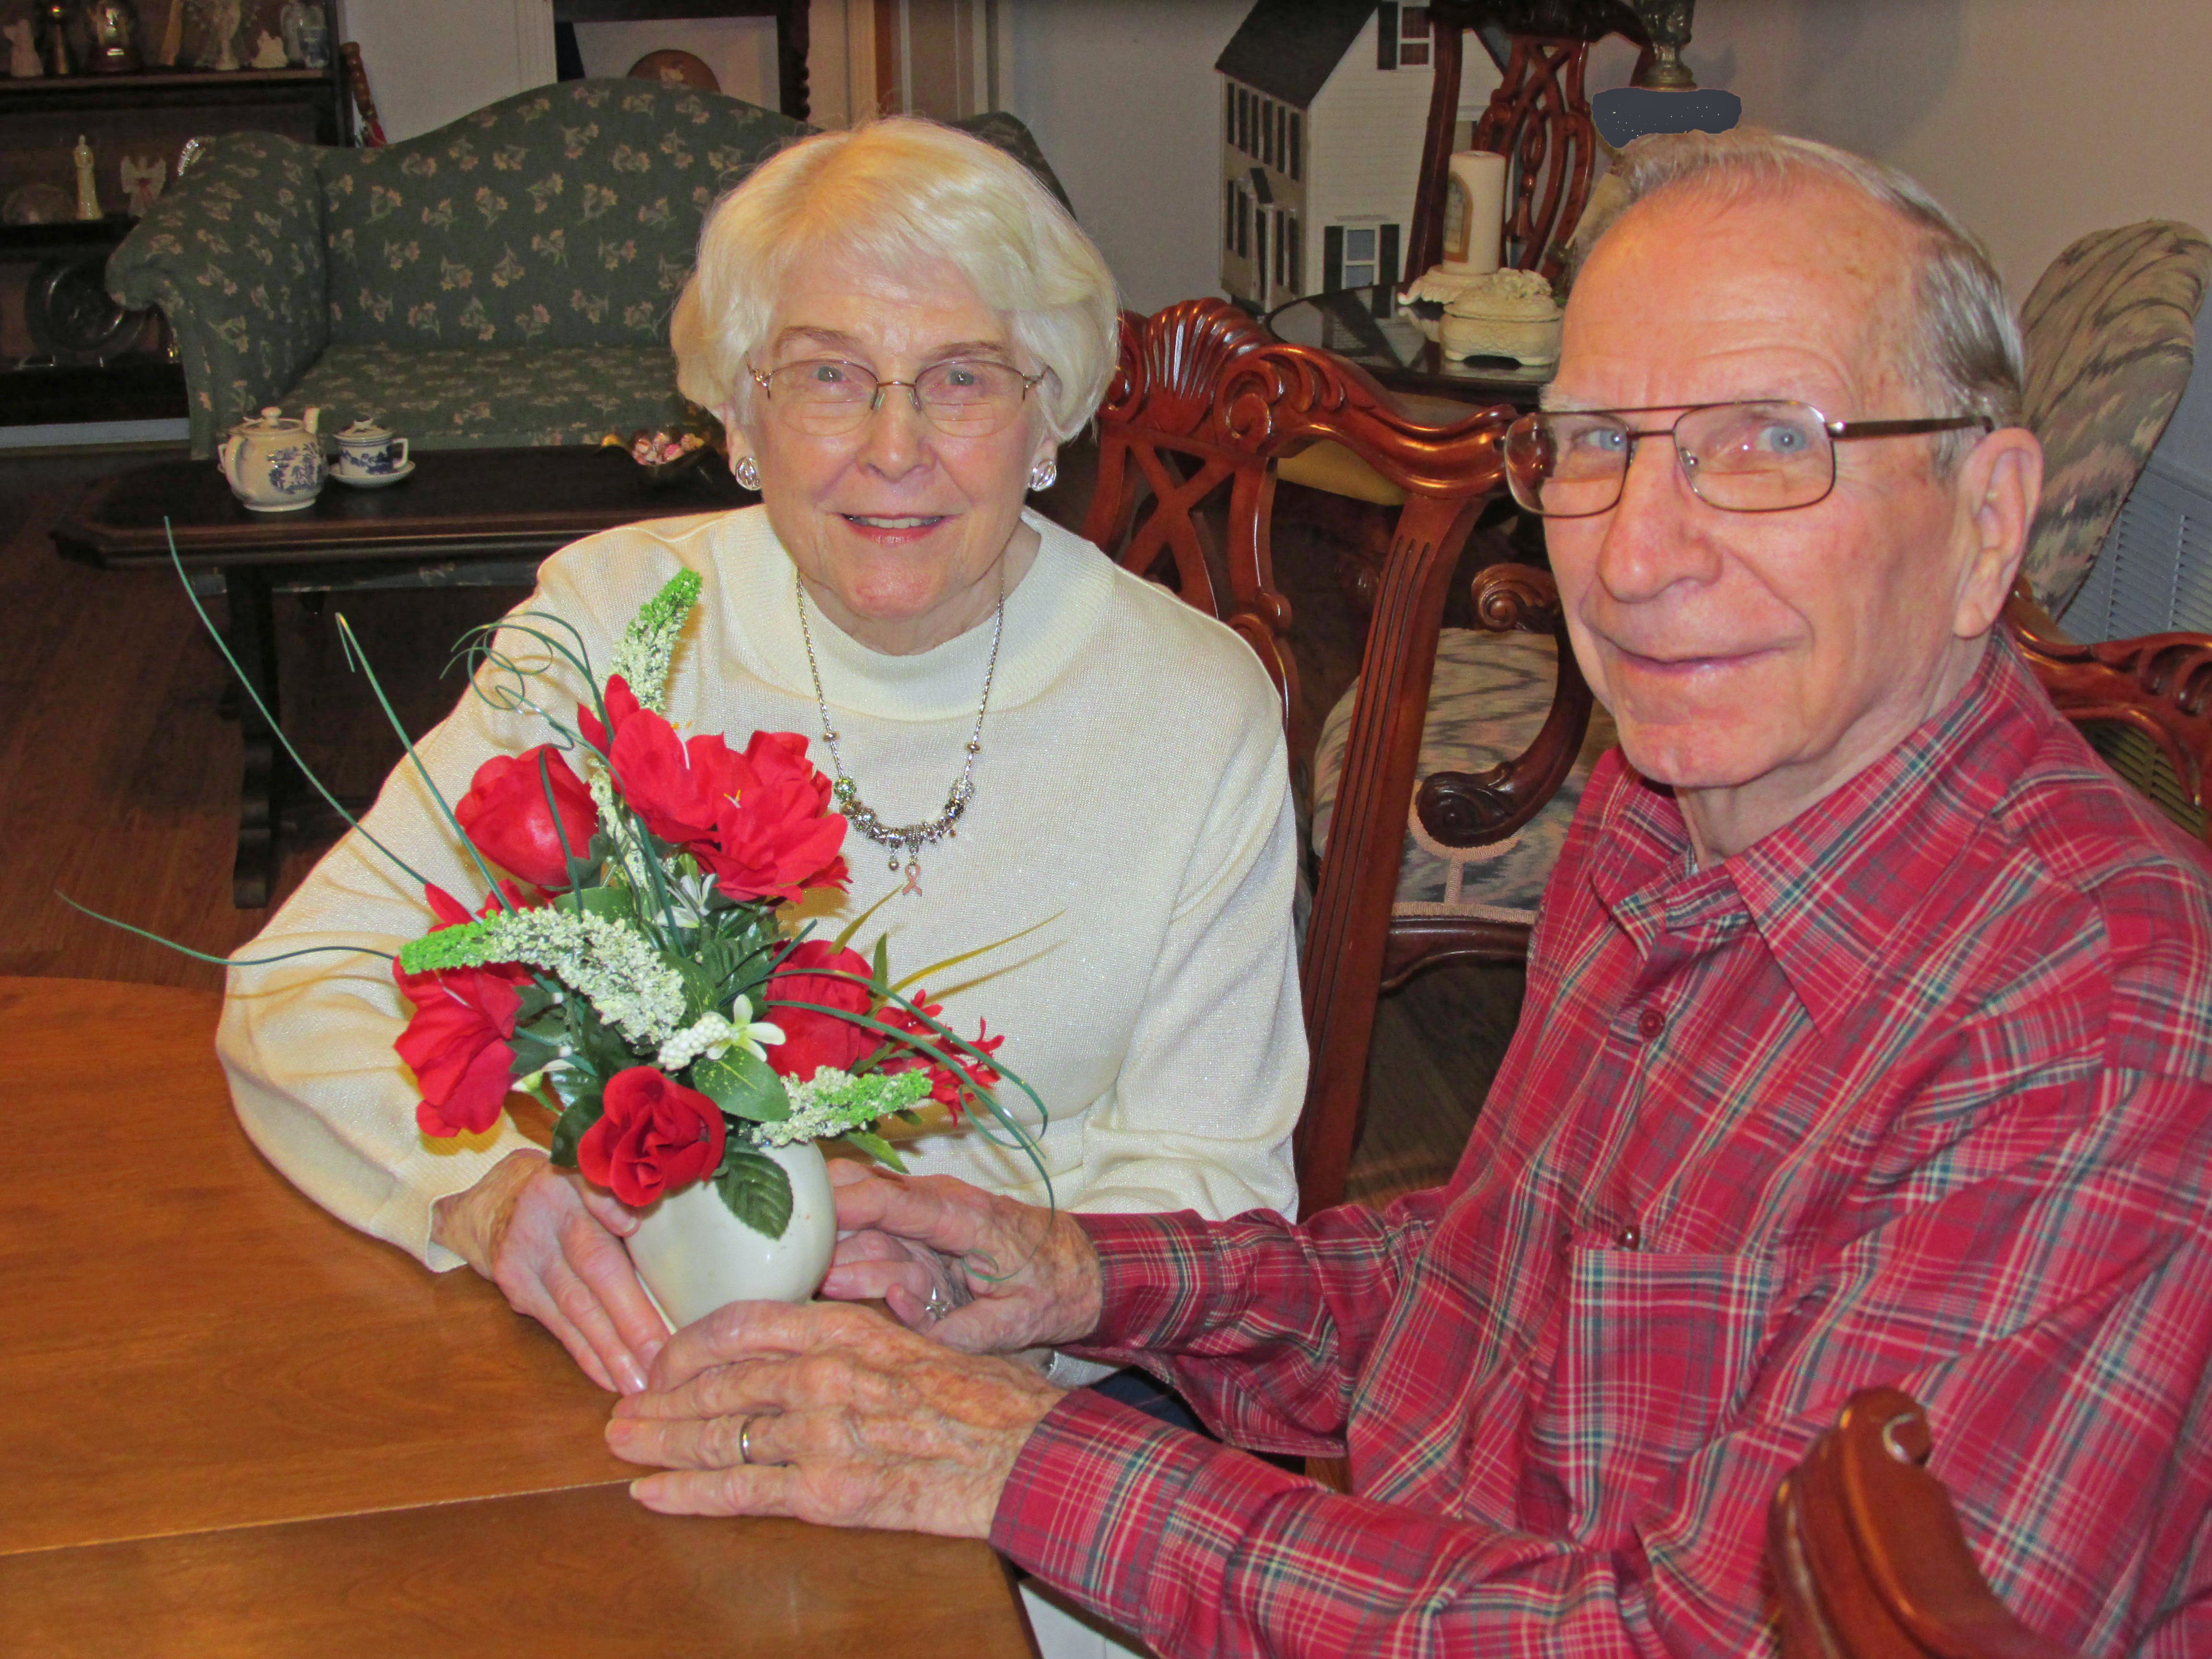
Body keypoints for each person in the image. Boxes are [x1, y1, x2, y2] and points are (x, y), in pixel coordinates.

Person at [602, 129, 2212, 1655]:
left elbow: (1705, 1638)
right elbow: (1506, 1292)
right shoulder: (1668, 817)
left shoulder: (2101, 1031)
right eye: (1593, 446)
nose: (1636, 554)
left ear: (1988, 520)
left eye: (1768, 444)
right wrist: (1085, 1271)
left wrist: (1021, 1461)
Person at [216, 118, 1305, 1402]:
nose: (894, 446)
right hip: (638, 1345)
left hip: (1020, 1391)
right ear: (740, 410)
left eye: (962, 378)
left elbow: (1216, 1187)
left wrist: (989, 1297)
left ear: (1050, 411)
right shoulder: (614, 621)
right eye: (830, 376)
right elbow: (304, 975)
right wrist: (479, 1194)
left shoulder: (1190, 704)